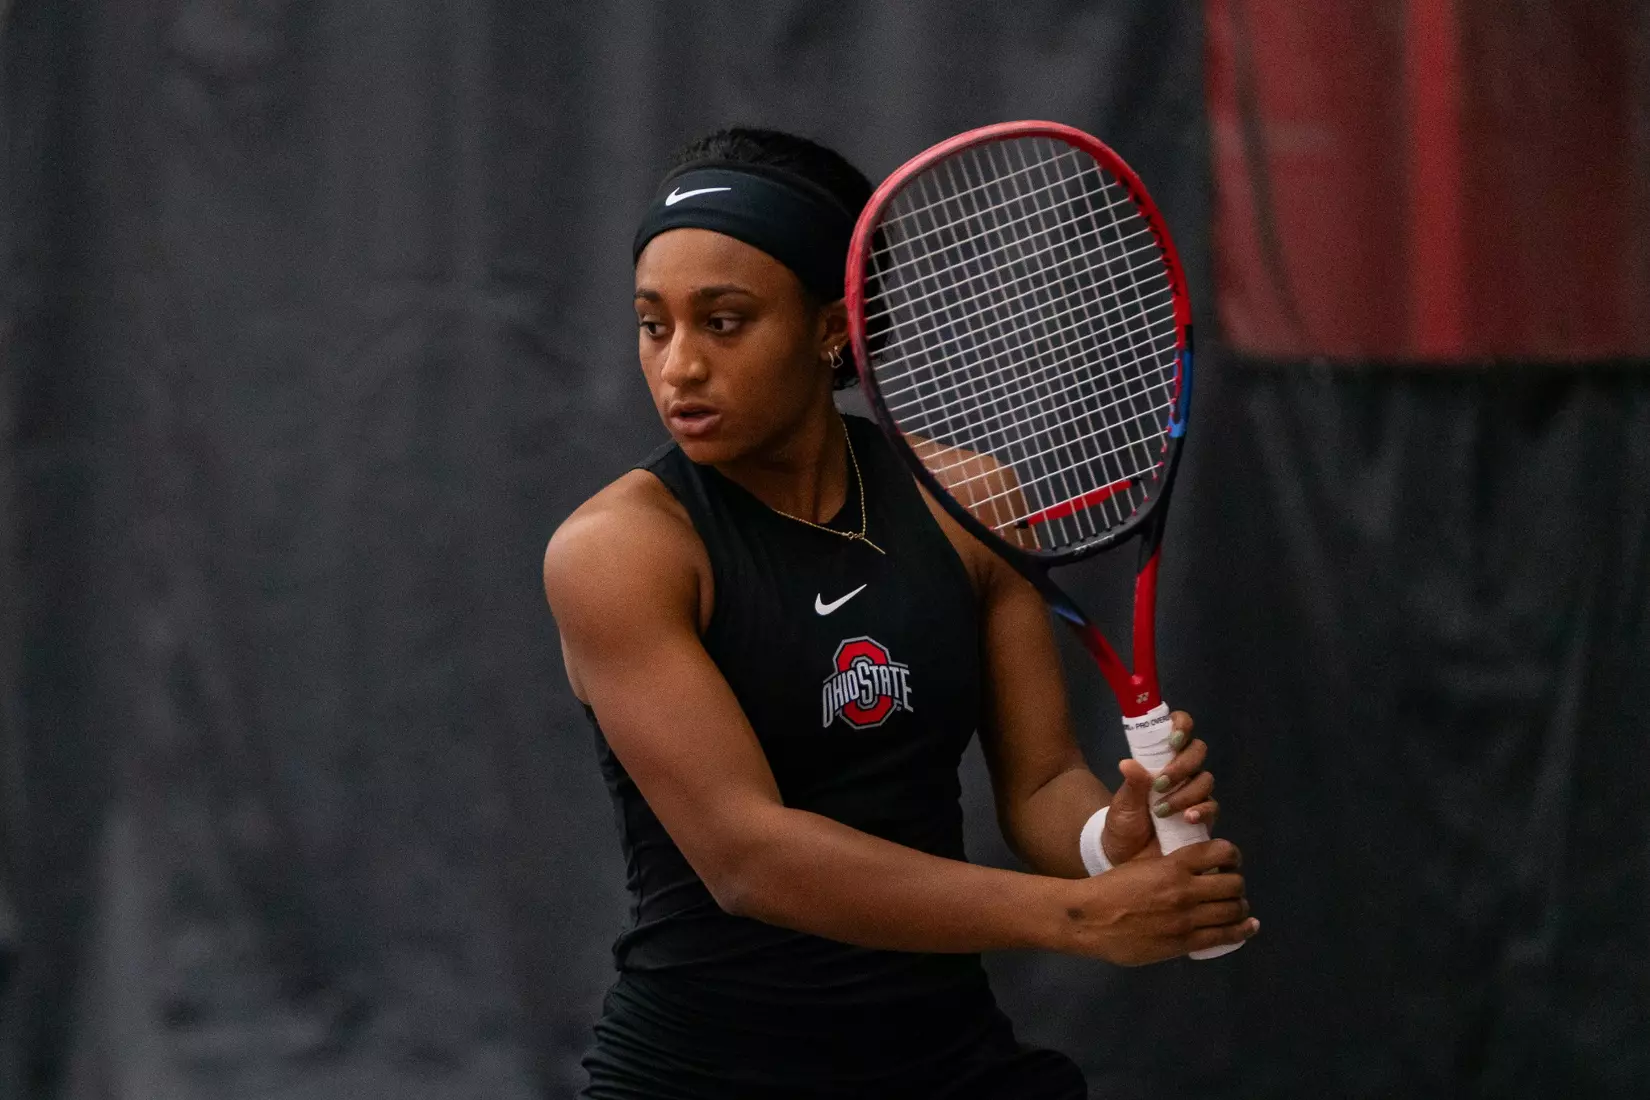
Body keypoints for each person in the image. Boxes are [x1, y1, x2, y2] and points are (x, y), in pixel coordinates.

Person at [543, 126, 1257, 1100]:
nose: (679, 368)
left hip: (948, 1058)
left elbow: (1044, 780)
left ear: (832, 326)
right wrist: (1077, 917)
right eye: (652, 324)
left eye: (724, 320)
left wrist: (1109, 840)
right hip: (708, 1070)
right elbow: (750, 856)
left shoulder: (967, 502)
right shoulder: (621, 551)